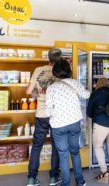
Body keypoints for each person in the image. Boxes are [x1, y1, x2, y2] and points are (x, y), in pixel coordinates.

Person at [45, 59, 90, 186]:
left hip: (58, 125)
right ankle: (80, 182)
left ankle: (65, 183)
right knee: (75, 152)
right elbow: (87, 95)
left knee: (63, 155)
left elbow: (48, 110)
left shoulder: (51, 88)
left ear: (55, 72)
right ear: (68, 71)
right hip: (74, 122)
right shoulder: (75, 83)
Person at [26, 48, 62, 186]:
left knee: (37, 146)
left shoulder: (38, 69)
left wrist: (37, 92)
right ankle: (53, 178)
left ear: (48, 58)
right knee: (56, 146)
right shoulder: (62, 72)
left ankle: (31, 179)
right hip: (56, 115)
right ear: (60, 59)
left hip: (41, 114)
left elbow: (29, 91)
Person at [86, 77, 109, 184]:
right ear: (108, 84)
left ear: (97, 85)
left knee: (98, 146)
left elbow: (89, 113)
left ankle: (104, 173)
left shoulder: (95, 94)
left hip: (101, 123)